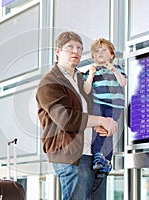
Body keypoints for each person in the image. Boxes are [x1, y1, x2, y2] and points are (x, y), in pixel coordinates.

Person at [36, 31, 118, 200]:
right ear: (58, 51)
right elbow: (66, 119)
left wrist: (108, 125)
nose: (76, 52)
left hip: (94, 155)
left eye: (79, 48)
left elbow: (97, 107)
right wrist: (103, 120)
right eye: (70, 47)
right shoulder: (49, 82)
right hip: (71, 156)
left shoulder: (83, 78)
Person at [83, 38, 127, 178]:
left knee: (107, 131)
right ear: (93, 56)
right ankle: (98, 156)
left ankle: (106, 160)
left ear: (112, 55)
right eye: (97, 51)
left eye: (104, 50)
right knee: (99, 129)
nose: (100, 53)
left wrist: (113, 69)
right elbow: (86, 90)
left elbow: (123, 82)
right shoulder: (91, 71)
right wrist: (90, 76)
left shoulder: (117, 69)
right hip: (98, 104)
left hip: (114, 106)